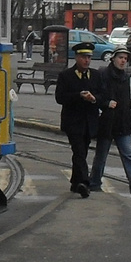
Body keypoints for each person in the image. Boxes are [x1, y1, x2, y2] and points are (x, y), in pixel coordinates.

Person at [89, 49, 131, 199]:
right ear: (113, 59)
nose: (123, 61)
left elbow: (124, 99)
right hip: (107, 122)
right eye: (120, 58)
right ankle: (94, 183)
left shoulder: (125, 76)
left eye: (125, 58)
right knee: (101, 155)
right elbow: (95, 96)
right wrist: (105, 103)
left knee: (128, 154)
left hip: (123, 122)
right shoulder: (103, 74)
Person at [54, 41, 101, 197]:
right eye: (83, 57)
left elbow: (103, 95)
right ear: (76, 57)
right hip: (73, 122)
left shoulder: (95, 75)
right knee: (79, 151)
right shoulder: (66, 75)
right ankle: (84, 183)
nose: (86, 60)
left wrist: (94, 99)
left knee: (82, 151)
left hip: (90, 122)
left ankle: (75, 182)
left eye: (88, 57)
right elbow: (60, 98)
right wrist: (78, 96)